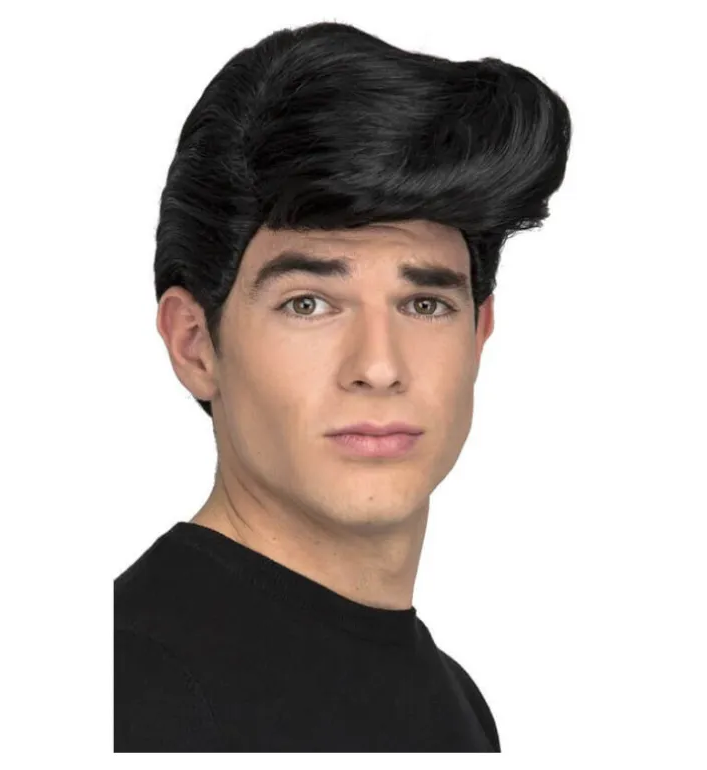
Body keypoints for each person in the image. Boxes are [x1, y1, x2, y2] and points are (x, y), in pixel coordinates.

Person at [114, 20, 572, 752]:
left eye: (425, 304)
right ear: (195, 343)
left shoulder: (454, 700)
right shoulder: (128, 688)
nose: (379, 365)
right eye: (308, 304)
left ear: (478, 333)